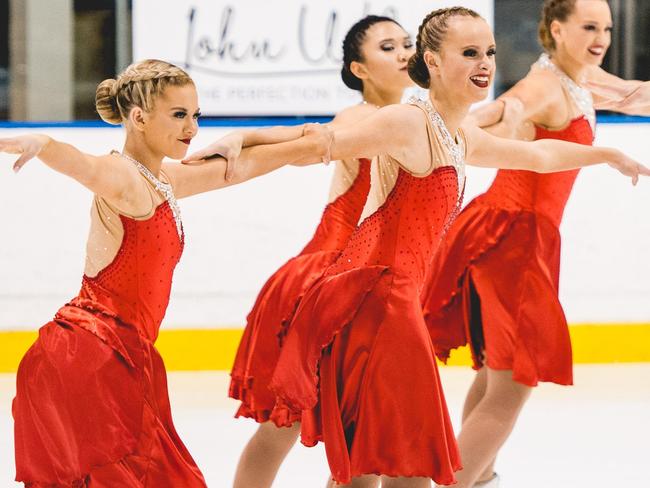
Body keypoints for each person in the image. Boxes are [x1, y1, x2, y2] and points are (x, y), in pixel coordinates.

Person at [240, 6, 647, 488]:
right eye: (470, 53)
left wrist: (608, 154)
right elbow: (317, 143)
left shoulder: (453, 132)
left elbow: (538, 154)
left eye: (490, 52)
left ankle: (479, 474)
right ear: (431, 61)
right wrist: (243, 138)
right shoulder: (407, 122)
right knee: (389, 462)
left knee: (380, 464)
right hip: (373, 300)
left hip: (394, 305)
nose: (486, 63)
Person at [4, 59, 327, 487]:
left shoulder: (164, 181)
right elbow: (83, 164)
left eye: (196, 115)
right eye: (179, 115)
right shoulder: (122, 177)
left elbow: (253, 164)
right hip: (90, 356)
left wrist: (250, 137)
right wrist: (43, 143)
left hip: (119, 357)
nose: (191, 127)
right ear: (138, 118)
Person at [419, 1, 650, 487]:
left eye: (606, 27)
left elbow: (634, 96)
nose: (601, 37)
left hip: (512, 232)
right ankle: (454, 481)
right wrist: (464, 125)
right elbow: (509, 107)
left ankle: (477, 476)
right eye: (589, 26)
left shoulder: (579, 77)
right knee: (513, 385)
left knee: (494, 374)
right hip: (514, 239)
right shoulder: (542, 86)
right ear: (556, 29)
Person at [183, 15, 415, 488]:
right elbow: (309, 139)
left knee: (347, 428)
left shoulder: (409, 117)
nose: (404, 53)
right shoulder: (361, 118)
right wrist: (243, 138)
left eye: (407, 43)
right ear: (360, 69)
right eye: (388, 47)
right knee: (285, 423)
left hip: (370, 282)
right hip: (328, 279)